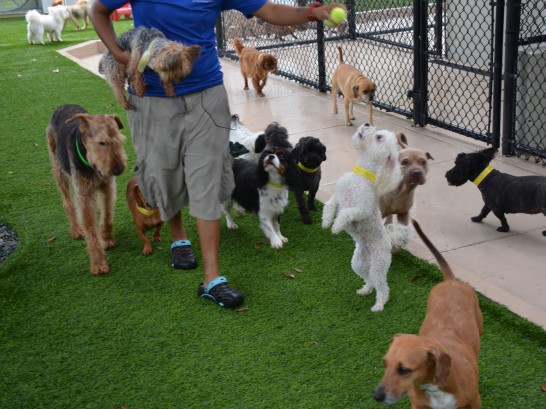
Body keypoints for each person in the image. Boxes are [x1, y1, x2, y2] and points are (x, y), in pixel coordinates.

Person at [90, 0, 347, 309]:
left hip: (206, 95)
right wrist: (121, 56)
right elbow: (98, 10)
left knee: (208, 177)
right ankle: (178, 237)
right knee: (163, 172)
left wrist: (310, 13)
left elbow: (269, 10)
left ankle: (212, 278)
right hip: (152, 99)